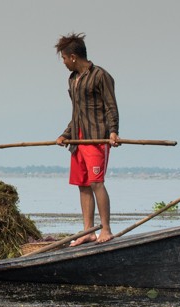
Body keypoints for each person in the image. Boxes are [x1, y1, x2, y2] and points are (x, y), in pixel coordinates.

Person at [54, 33, 120, 246]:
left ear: (73, 57)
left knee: (96, 182)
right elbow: (77, 113)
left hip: (96, 138)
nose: (63, 63)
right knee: (82, 185)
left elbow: (111, 106)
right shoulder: (73, 79)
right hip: (78, 140)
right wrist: (66, 134)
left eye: (64, 58)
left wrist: (113, 132)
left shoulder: (101, 76)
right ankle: (89, 231)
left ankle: (106, 229)